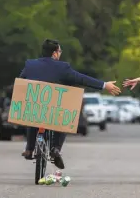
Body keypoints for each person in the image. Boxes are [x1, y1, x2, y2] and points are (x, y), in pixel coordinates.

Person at [20, 39, 121, 169]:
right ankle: (55, 148)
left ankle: (29, 149)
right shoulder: (63, 67)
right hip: (54, 110)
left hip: (36, 107)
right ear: (55, 53)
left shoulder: (30, 65)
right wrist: (104, 85)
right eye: (60, 51)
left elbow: (21, 82)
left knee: (33, 114)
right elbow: (81, 78)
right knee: (65, 116)